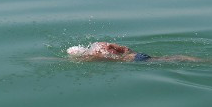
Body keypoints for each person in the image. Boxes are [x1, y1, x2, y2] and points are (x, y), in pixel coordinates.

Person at [66, 42, 204, 62]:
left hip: (135, 60)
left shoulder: (94, 55)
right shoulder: (102, 45)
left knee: (170, 60)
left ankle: (206, 61)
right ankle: (198, 59)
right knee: (173, 58)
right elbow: (125, 49)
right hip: (135, 55)